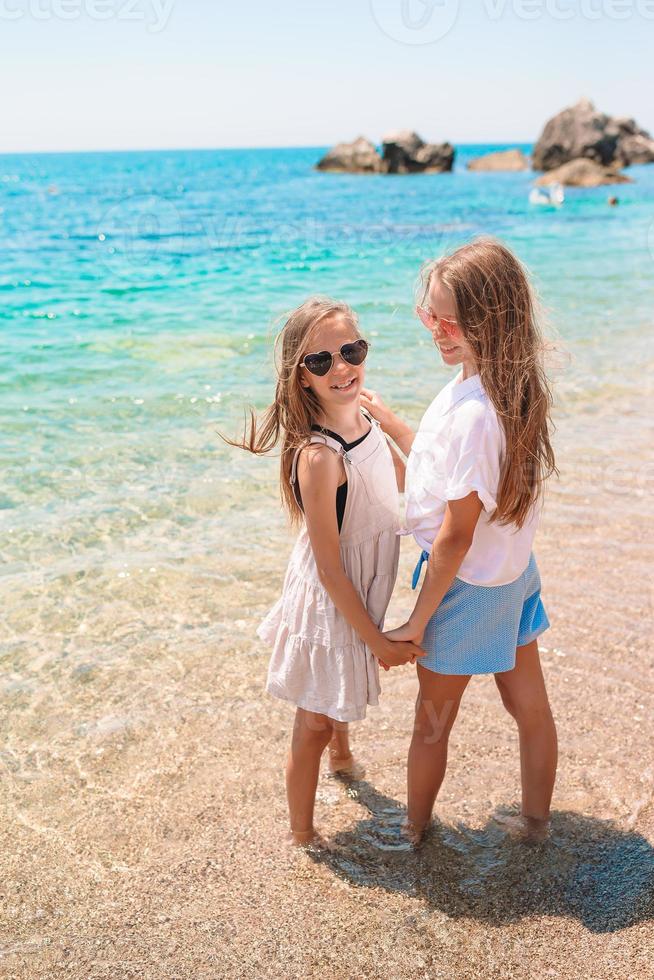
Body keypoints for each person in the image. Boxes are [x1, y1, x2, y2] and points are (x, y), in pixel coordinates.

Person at [361, 238, 558, 844]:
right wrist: (390, 421)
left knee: (431, 724)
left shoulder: (477, 413)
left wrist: (418, 621)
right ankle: (535, 822)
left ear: (491, 321)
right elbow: (454, 468)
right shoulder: (499, 386)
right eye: (430, 315)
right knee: (528, 709)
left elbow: (454, 535)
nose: (437, 331)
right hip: (512, 574)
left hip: (465, 589)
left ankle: (413, 834)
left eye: (451, 320)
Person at [229, 297, 423, 846]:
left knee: (333, 692)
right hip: (331, 594)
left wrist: (392, 424)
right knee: (312, 719)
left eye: (351, 351)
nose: (341, 368)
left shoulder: (365, 416)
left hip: (363, 583)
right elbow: (330, 570)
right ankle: (302, 834)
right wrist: (379, 644)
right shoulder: (319, 458)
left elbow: (406, 480)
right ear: (302, 377)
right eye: (321, 362)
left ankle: (344, 758)